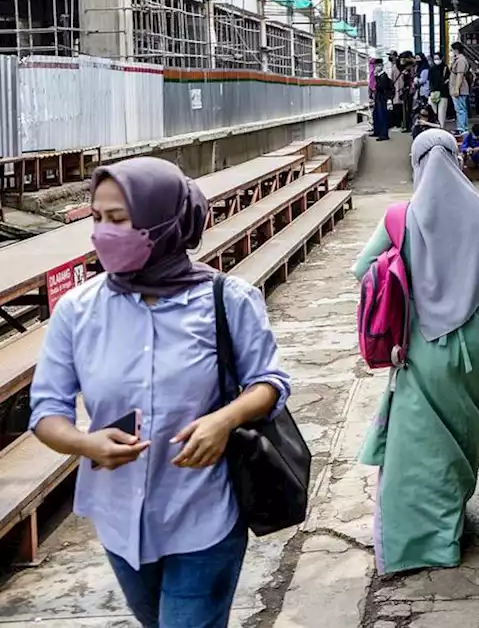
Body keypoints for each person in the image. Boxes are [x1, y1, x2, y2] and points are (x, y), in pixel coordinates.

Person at [29, 157, 291, 627]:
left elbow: (270, 382)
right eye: (97, 218)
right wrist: (85, 444)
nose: (103, 233)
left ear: (162, 224)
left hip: (204, 512)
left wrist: (223, 419)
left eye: (119, 220)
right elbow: (47, 410)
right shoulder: (77, 311)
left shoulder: (227, 300)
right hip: (118, 520)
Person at [354, 129, 479, 573]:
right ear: (457, 161)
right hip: (477, 348)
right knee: (463, 439)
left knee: (421, 449)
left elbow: (361, 270)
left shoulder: (399, 219)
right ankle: (454, 521)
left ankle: (427, 544)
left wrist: (407, 274)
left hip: (422, 346)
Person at [449, 43, 471, 134]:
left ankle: (462, 128)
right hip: (458, 87)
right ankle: (462, 127)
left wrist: (457, 88)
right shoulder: (457, 59)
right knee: (461, 109)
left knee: (460, 109)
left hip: (460, 88)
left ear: (456, 50)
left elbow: (460, 75)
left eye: (452, 50)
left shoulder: (461, 60)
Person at [427, 52, 450, 126]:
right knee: (433, 113)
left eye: (438, 58)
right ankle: (435, 127)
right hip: (434, 93)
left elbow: (448, 80)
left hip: (443, 93)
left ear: (441, 58)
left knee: (441, 113)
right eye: (435, 58)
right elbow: (430, 81)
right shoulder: (431, 69)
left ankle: (441, 127)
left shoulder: (445, 68)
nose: (436, 60)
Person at [372, 59, 393, 141]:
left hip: (382, 98)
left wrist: (376, 76)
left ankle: (384, 134)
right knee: (376, 114)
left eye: (378, 65)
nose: (376, 67)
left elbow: (380, 87)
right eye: (376, 66)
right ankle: (377, 131)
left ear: (381, 66)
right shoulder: (379, 76)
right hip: (378, 97)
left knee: (382, 116)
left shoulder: (384, 76)